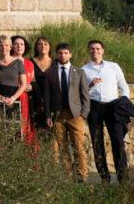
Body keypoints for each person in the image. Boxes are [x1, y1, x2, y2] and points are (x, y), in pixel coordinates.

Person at [82, 40, 132, 184]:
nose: (95, 51)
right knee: (97, 142)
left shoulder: (113, 67)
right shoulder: (84, 70)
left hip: (112, 106)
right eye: (92, 49)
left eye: (97, 48)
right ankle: (104, 178)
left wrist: (123, 102)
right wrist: (90, 85)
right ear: (89, 51)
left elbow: (124, 86)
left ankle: (123, 178)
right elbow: (82, 92)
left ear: (103, 50)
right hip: (94, 107)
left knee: (118, 141)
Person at [43, 43, 91, 181]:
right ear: (56, 55)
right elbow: (47, 96)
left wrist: (83, 114)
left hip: (75, 115)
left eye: (65, 53)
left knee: (78, 145)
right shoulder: (50, 73)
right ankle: (68, 176)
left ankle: (82, 176)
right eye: (60, 53)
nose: (63, 55)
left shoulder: (79, 72)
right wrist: (48, 115)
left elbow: (85, 95)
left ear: (70, 54)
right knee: (62, 147)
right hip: (57, 115)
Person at [0, 35, 28, 118]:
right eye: (1, 45)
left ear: (11, 47)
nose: (4, 48)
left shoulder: (18, 63)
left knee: (12, 125)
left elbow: (23, 84)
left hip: (12, 98)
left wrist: (12, 98)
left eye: (7, 45)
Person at [11, 35, 36, 142]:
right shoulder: (8, 61)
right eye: (16, 44)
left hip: (27, 99)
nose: (19, 46)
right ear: (11, 46)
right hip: (13, 97)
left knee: (27, 124)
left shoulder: (29, 63)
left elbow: (33, 80)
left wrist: (31, 86)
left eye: (22, 44)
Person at [30, 37, 54, 135]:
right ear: (36, 47)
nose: (42, 46)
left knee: (53, 130)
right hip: (36, 98)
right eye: (40, 44)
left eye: (45, 44)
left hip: (53, 99)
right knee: (37, 128)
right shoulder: (31, 62)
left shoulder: (56, 62)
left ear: (49, 47)